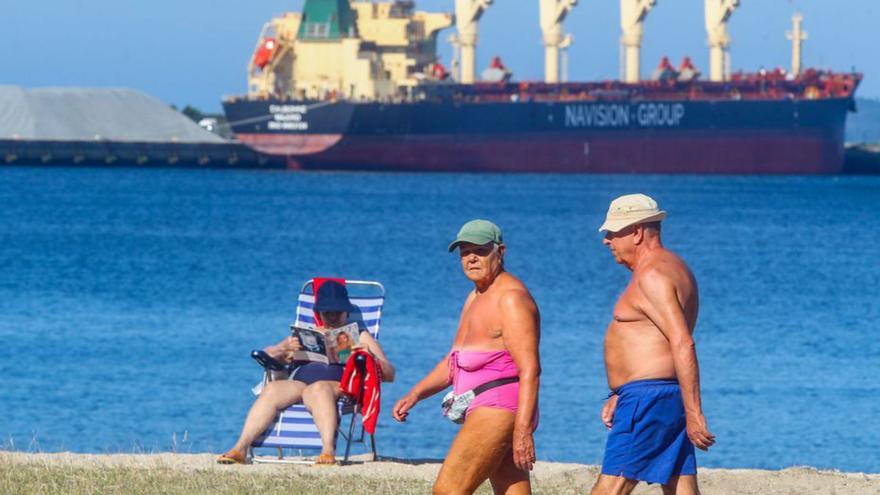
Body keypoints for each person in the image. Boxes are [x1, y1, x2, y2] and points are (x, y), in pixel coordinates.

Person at [392, 219, 541, 495]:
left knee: (448, 491)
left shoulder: (511, 299)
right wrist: (416, 394)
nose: (471, 258)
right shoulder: (475, 296)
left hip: (499, 407)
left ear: (500, 251)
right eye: (464, 252)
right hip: (485, 407)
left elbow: (530, 370)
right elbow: (454, 360)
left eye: (480, 251)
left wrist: (523, 430)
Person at [592, 194, 715, 495]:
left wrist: (695, 411)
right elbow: (657, 341)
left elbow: (682, 341)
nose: (607, 240)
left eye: (613, 232)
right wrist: (621, 392)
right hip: (656, 395)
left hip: (649, 400)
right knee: (681, 487)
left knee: (611, 486)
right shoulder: (673, 267)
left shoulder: (653, 275)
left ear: (636, 232)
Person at [217, 280, 395, 465]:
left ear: (347, 312)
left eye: (338, 313)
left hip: (339, 386)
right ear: (318, 313)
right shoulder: (306, 333)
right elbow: (267, 356)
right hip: (299, 384)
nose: (332, 317)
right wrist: (283, 348)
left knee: (318, 388)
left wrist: (369, 357)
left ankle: (327, 451)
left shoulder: (360, 334)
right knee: (273, 389)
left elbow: (390, 374)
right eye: (327, 313)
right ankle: (241, 448)